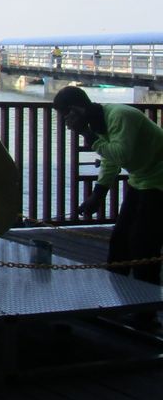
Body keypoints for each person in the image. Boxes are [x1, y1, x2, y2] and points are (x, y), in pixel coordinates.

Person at [54, 85, 163, 297]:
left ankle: (146, 306)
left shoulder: (120, 116)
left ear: (76, 110)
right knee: (120, 241)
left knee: (144, 244)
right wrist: (98, 194)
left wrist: (87, 134)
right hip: (141, 179)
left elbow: (121, 155)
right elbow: (110, 160)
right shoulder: (99, 121)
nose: (66, 122)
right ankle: (116, 297)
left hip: (159, 180)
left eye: (66, 116)